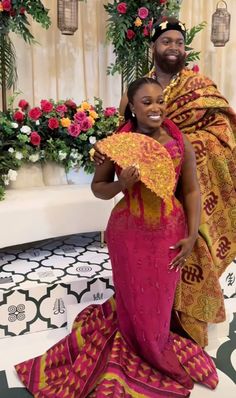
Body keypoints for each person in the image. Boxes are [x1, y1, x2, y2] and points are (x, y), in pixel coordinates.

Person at [15, 78, 218, 397]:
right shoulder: (116, 144)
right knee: (133, 298)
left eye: (160, 100)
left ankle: (154, 348)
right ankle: (136, 349)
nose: (156, 107)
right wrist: (122, 183)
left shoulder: (180, 142)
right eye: (147, 102)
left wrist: (192, 235)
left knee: (159, 302)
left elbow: (191, 189)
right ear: (132, 107)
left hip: (170, 233)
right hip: (128, 234)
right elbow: (99, 188)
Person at [94, 17, 236, 347]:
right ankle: (145, 331)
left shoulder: (199, 88)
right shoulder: (137, 91)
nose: (172, 47)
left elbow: (224, 134)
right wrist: (114, 161)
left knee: (188, 251)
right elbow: (122, 141)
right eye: (165, 41)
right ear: (153, 48)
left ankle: (178, 326)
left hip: (188, 189)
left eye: (178, 42)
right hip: (140, 202)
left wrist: (180, 148)